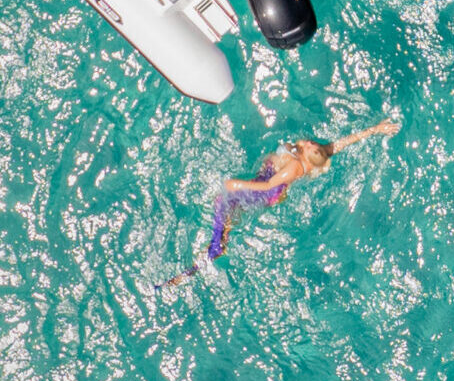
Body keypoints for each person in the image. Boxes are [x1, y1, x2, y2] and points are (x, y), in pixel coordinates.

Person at [156, 119, 400, 291]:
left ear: (306, 155)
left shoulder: (294, 167)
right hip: (269, 187)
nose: (309, 142)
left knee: (222, 208)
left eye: (310, 145)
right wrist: (375, 130)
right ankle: (210, 254)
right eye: (312, 143)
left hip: (263, 191)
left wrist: (235, 185)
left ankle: (195, 267)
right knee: (227, 215)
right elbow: (340, 144)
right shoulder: (318, 156)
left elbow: (267, 185)